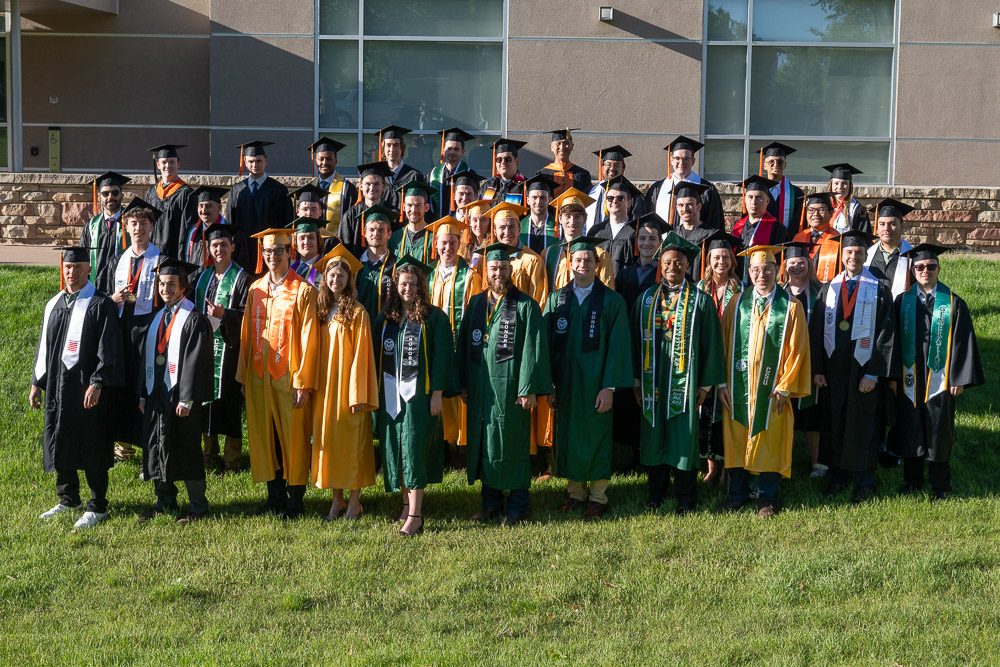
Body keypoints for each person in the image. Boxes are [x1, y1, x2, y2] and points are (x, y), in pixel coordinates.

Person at [458, 243, 552, 525]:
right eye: (493, 268)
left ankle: (518, 506)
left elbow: (533, 350)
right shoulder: (475, 303)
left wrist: (528, 389)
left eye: (503, 267)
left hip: (511, 389)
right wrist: (463, 382)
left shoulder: (525, 305)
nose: (498, 272)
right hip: (480, 388)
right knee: (486, 443)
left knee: (510, 443)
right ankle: (490, 504)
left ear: (511, 270)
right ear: (486, 271)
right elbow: (464, 345)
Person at [633, 233, 726, 514]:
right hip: (653, 378)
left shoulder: (701, 301)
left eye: (678, 263)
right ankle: (655, 493)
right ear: (660, 265)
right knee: (654, 432)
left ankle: (686, 496)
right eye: (667, 262)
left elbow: (712, 344)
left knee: (683, 435)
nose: (672, 268)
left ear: (688, 266)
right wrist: (637, 381)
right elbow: (633, 342)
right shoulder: (645, 299)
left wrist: (706, 385)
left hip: (685, 382)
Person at [31, 246, 123, 530]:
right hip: (58, 388)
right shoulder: (55, 303)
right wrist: (37, 381)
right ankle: (67, 497)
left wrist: (97, 381)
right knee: (61, 439)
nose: (71, 273)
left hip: (86, 388)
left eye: (78, 268)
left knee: (92, 442)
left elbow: (109, 348)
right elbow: (44, 347)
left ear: (89, 270)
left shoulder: (100, 304)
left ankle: (98, 505)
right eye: (67, 268)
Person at [543, 236, 632, 520]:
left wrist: (609, 387)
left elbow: (618, 347)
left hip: (596, 382)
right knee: (570, 434)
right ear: (570, 264)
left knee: (595, 435)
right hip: (566, 383)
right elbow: (544, 345)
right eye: (578, 260)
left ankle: (598, 496)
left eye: (589, 260)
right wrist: (549, 384)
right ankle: (575, 493)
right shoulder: (557, 298)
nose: (583, 264)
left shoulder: (611, 301)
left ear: (597, 264)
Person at [720, 245, 811, 517]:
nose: (762, 275)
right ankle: (738, 494)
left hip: (772, 391)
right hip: (737, 389)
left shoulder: (791, 308)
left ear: (777, 271)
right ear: (749, 272)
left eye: (768, 269)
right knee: (736, 440)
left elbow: (798, 350)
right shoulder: (736, 304)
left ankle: (767, 498)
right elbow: (723, 347)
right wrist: (722, 384)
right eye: (757, 270)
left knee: (769, 439)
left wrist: (785, 386)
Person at [373, 256, 461, 537]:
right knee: (396, 448)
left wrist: (437, 393)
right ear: (395, 286)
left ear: (421, 286)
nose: (407, 288)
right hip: (389, 395)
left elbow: (442, 358)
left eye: (412, 284)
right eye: (403, 283)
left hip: (419, 397)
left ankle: (415, 515)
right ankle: (404, 503)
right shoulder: (385, 318)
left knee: (413, 448)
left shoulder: (434, 318)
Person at [237, 227, 318, 519]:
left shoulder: (303, 291)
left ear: (289, 253)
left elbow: (310, 339)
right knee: (265, 435)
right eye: (268, 251)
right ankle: (274, 497)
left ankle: (295, 500)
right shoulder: (255, 289)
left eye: (279, 251)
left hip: (289, 377)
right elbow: (247, 335)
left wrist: (303, 382)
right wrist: (245, 375)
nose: (272, 256)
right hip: (259, 377)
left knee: (293, 438)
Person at [810, 230, 896, 504]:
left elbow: (886, 333)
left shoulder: (879, 289)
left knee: (864, 423)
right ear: (842, 255)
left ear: (865, 256)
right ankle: (837, 477)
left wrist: (873, 372)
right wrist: (818, 369)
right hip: (834, 370)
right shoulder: (829, 288)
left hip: (863, 370)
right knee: (834, 421)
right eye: (849, 252)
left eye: (859, 252)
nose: (853, 256)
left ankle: (864, 482)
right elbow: (815, 332)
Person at [894, 243, 984, 499]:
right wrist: (892, 377)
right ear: (913, 270)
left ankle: (940, 486)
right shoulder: (903, 301)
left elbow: (962, 343)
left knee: (939, 429)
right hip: (909, 376)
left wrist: (959, 378)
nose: (926, 271)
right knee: (910, 425)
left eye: (931, 267)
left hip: (941, 379)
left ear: (938, 269)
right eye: (920, 267)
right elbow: (893, 343)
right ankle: (912, 481)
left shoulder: (953, 302)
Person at [137, 259, 213, 524]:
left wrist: (187, 398)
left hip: (181, 398)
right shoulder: (157, 317)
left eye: (171, 284)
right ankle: (165, 500)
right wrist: (144, 393)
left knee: (187, 448)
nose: (165, 288)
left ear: (183, 287)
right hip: (157, 394)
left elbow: (196, 362)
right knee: (157, 445)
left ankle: (197, 506)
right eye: (162, 284)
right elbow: (147, 358)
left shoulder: (194, 319)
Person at [311, 245, 379, 520]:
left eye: (341, 276)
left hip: (348, 388)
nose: (335, 280)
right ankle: (336, 499)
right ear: (325, 278)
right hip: (325, 387)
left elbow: (363, 356)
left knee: (352, 443)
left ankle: (354, 501)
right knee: (331, 442)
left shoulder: (357, 311)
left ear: (349, 280)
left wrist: (357, 394)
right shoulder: (321, 308)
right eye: (331, 275)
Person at [192, 223, 251, 475]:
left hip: (231, 350)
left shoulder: (243, 278)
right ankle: (208, 454)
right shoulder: (202, 278)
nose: (219, 249)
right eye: (215, 245)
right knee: (207, 402)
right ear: (209, 248)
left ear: (232, 247)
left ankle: (232, 460)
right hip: (207, 350)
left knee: (228, 404)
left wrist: (224, 314)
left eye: (224, 245)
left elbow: (248, 315)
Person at [425, 217, 483, 466]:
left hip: (460, 346)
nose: (448, 247)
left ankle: (461, 448)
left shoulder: (470, 277)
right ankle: (443, 444)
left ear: (460, 244)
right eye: (443, 243)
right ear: (436, 244)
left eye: (452, 242)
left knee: (459, 395)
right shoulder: (428, 276)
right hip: (433, 347)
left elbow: (474, 317)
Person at [110, 198, 164, 459]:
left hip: (149, 327)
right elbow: (107, 296)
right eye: (134, 223)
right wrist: (114, 299)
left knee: (146, 385)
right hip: (123, 328)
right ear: (126, 227)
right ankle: (124, 446)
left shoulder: (160, 260)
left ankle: (150, 446)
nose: (138, 228)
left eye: (144, 223)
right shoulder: (118, 260)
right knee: (124, 384)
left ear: (151, 226)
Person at [612, 213, 666, 472]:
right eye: (642, 238)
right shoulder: (624, 275)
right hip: (630, 344)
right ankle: (634, 452)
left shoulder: (665, 275)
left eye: (652, 239)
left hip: (656, 345)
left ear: (659, 243)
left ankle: (651, 450)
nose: (646, 243)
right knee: (630, 398)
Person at [695, 230, 743, 484]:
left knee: (728, 413)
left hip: (732, 359)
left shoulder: (742, 289)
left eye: (725, 257)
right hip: (704, 358)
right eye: (716, 257)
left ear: (732, 261)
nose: (720, 262)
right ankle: (711, 467)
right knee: (706, 412)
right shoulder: (699, 289)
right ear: (709, 260)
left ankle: (728, 466)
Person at [780, 241, 825, 478]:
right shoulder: (778, 293)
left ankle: (817, 463)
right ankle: (782, 459)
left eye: (801, 263)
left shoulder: (821, 292)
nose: (796, 267)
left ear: (809, 264)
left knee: (811, 416)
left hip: (811, 361)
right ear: (784, 265)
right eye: (791, 263)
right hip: (783, 363)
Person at [226, 141, 295, 268]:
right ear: (245, 162)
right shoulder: (237, 189)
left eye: (258, 161)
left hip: (271, 250)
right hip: (243, 250)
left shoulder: (279, 190)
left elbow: (287, 223)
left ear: (266, 161)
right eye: (251, 161)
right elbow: (231, 222)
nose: (255, 165)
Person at [543, 188, 614, 294]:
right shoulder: (547, 254)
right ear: (560, 219)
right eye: (567, 216)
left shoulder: (600, 255)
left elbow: (608, 293)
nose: (572, 222)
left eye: (577, 216)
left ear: (585, 219)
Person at [645, 136, 725, 230]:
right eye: (677, 158)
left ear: (693, 161)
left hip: (695, 243)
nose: (681, 162)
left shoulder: (706, 189)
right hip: (663, 243)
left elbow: (714, 224)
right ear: (671, 160)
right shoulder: (657, 189)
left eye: (686, 159)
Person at [486, 201, 547, 304]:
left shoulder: (533, 261)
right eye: (502, 227)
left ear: (519, 229)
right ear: (495, 232)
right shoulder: (488, 259)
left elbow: (538, 300)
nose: (507, 232)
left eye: (512, 227)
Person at [80, 171, 130, 295]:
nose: (110, 197)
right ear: (99, 197)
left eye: (115, 193)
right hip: (96, 286)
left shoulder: (131, 222)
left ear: (122, 196)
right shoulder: (91, 225)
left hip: (124, 287)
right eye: (105, 193)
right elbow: (83, 256)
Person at [145, 144, 196, 260]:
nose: (168, 166)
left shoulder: (187, 194)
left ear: (178, 164)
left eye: (172, 162)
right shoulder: (151, 193)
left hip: (175, 254)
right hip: (152, 253)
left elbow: (187, 230)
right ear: (158, 164)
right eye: (164, 162)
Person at [339, 161, 397, 258]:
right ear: (361, 187)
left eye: (376, 184)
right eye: (368, 184)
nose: (372, 188)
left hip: (388, 268)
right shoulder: (350, 215)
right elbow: (345, 248)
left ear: (383, 186)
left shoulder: (393, 214)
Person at [589, 175, 641, 278]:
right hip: (599, 287)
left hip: (626, 288)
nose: (614, 201)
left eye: (620, 198)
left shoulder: (636, 231)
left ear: (629, 203)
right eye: (610, 198)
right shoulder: (596, 231)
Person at [586, 145, 647, 230]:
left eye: (617, 165)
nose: (612, 168)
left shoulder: (634, 196)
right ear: (602, 167)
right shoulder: (590, 192)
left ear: (623, 169)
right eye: (608, 164)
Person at [308, 136, 358, 236]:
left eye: (329, 159)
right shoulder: (310, 188)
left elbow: (351, 221)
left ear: (336, 161)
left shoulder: (347, 188)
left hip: (338, 243)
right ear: (315, 161)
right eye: (321, 159)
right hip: (313, 243)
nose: (324, 163)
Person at [866, 198, 914, 299]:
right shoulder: (866, 255)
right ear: (877, 226)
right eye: (882, 224)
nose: (886, 229)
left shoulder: (913, 257)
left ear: (902, 226)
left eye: (892, 224)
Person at [355, 204, 398, 318]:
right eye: (372, 230)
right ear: (364, 233)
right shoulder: (355, 266)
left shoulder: (396, 266)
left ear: (389, 234)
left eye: (381, 230)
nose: (376, 234)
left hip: (386, 328)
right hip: (359, 328)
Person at [731, 175, 789, 258]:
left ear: (767, 201)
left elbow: (779, 260)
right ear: (745, 200)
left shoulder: (777, 229)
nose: (754, 202)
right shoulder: (736, 226)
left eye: (759, 197)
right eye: (750, 197)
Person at [757, 142, 804, 235]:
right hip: (761, 240)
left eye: (780, 162)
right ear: (764, 166)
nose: (776, 164)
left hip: (786, 242)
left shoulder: (796, 193)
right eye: (771, 162)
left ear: (785, 165)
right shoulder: (757, 192)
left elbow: (798, 223)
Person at [791, 192, 841, 282]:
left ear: (830, 213)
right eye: (811, 210)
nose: (815, 214)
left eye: (821, 210)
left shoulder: (838, 239)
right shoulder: (798, 238)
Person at [427, 127, 473, 217]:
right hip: (437, 226)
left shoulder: (471, 175)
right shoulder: (433, 174)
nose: (452, 152)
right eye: (449, 148)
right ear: (443, 150)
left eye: (456, 149)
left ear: (463, 151)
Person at [389, 180, 437, 264]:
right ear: (403, 207)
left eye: (418, 205)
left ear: (426, 207)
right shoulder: (394, 238)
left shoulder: (435, 237)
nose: (413, 210)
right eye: (409, 205)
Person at [379, 125, 426, 211]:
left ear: (402, 148)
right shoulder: (378, 175)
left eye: (396, 145)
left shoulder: (414, 176)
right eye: (388, 145)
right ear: (383, 149)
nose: (392, 149)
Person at [182, 186, 229, 269]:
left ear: (219, 208)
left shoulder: (231, 234)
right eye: (200, 206)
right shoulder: (191, 233)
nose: (203, 211)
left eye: (208, 206)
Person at [669, 181, 716, 260]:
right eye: (681, 205)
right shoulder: (674, 234)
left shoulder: (710, 235)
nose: (685, 209)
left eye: (689, 204)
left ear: (699, 207)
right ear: (676, 208)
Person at [540, 128, 593, 196]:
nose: (562, 147)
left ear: (572, 146)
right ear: (552, 147)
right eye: (558, 144)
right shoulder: (543, 174)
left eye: (566, 143)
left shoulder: (583, 175)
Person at [288, 217, 337, 287]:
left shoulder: (325, 269)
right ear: (295, 243)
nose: (306, 242)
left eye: (311, 237)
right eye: (302, 238)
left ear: (318, 241)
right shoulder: (291, 269)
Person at [825, 163, 871, 234]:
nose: (840, 187)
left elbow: (863, 237)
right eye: (836, 183)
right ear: (831, 185)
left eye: (845, 183)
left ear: (850, 186)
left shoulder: (858, 210)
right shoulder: (824, 205)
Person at [479, 137, 527, 204]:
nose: (503, 162)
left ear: (517, 162)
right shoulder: (487, 186)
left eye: (507, 159)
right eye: (499, 159)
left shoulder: (525, 187)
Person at [519, 174, 559, 253]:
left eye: (542, 198)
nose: (538, 202)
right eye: (534, 197)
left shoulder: (559, 228)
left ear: (549, 200)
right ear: (528, 201)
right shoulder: (519, 227)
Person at [458, 199, 493, 271]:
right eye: (475, 220)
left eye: (483, 220)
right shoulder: (462, 247)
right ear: (469, 222)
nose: (479, 225)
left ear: (489, 222)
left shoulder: (493, 247)